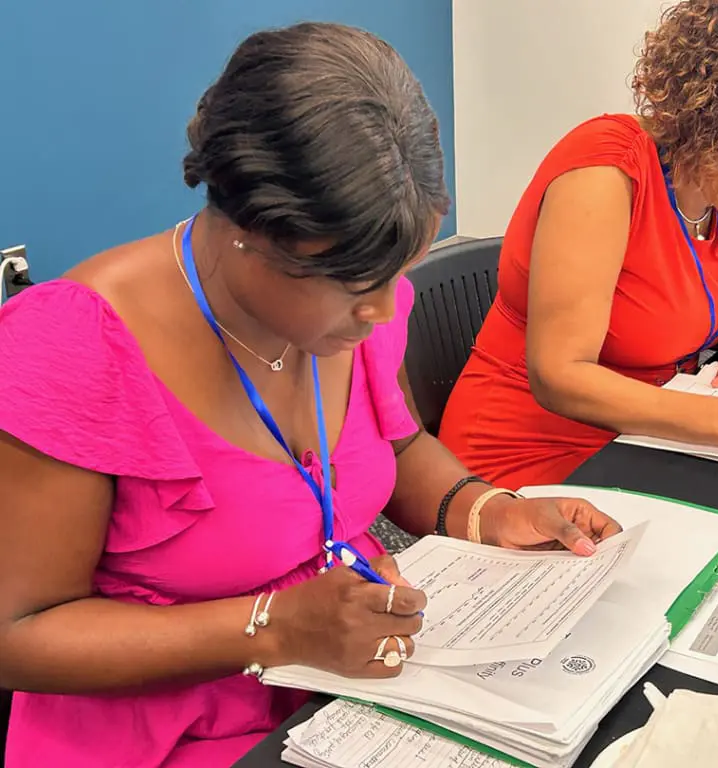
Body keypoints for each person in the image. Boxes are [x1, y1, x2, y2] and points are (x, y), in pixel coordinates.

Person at [0, 23, 621, 768]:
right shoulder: (71, 348)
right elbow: (19, 631)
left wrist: (490, 512)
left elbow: (397, 446)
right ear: (246, 233)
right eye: (359, 287)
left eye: (401, 272)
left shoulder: (357, 317)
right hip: (171, 732)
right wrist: (277, 629)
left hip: (349, 692)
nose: (388, 312)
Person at [439, 0, 718, 489]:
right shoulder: (605, 173)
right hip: (526, 466)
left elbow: (657, 285)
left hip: (638, 442)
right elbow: (559, 376)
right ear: (713, 116)